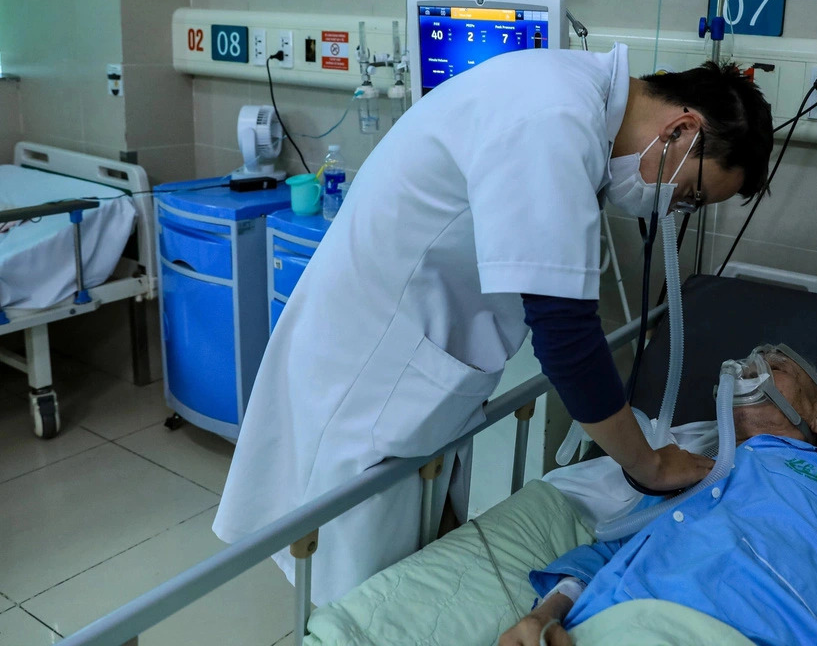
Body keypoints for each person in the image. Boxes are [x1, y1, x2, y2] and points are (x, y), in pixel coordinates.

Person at [212, 43, 775, 605]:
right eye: (689, 192)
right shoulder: (554, 119)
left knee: (420, 559)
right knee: (364, 598)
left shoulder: (568, 96)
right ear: (682, 128)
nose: (672, 207)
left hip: (421, 361)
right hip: (375, 373)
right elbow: (566, 337)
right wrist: (647, 463)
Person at [501, 345, 817, 646]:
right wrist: (544, 615)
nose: (750, 367)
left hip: (750, 630)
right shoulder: (694, 469)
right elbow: (613, 547)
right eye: (750, 362)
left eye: (776, 367)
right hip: (608, 622)